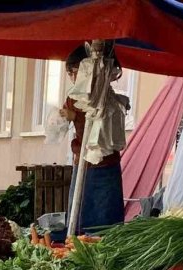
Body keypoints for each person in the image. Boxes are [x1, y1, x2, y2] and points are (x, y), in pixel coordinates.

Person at [60, 44, 125, 234]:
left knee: (101, 224)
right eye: (69, 73)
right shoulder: (77, 97)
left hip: (103, 167)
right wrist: (65, 117)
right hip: (86, 164)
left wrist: (74, 116)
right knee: (84, 221)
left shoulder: (105, 96)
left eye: (73, 71)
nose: (72, 77)